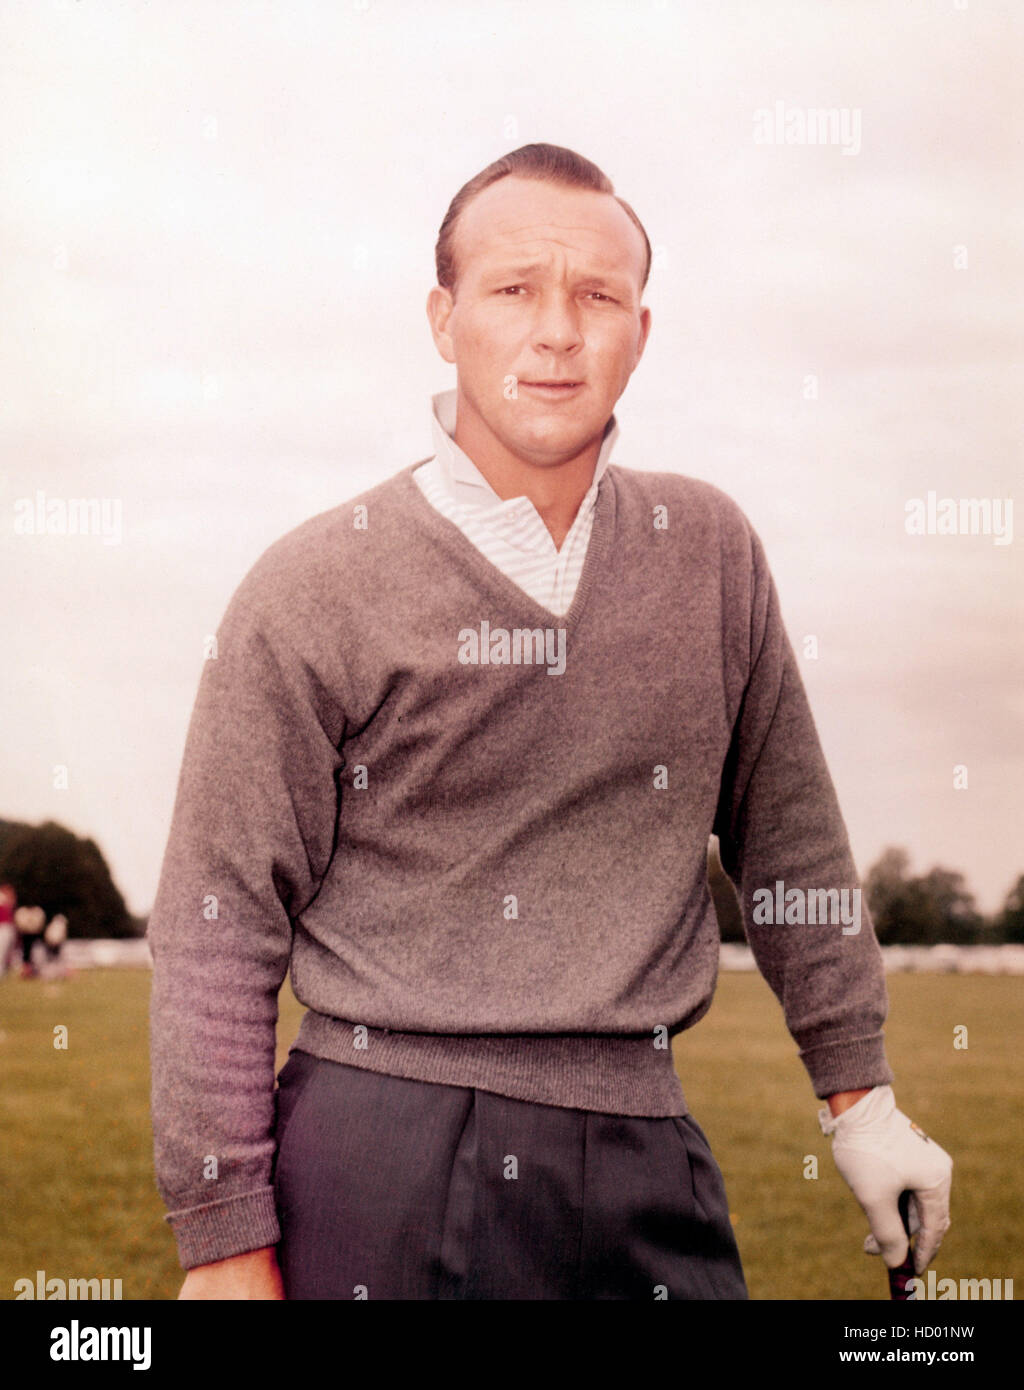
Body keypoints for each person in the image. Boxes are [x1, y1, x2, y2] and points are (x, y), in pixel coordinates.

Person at [148, 143, 952, 1300]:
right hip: (381, 1145)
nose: (558, 330)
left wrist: (860, 1097)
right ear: (443, 317)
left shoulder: (710, 552)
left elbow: (792, 850)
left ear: (640, 330)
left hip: (647, 1141)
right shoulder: (311, 582)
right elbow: (218, 920)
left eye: (597, 296)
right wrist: (224, 1238)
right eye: (514, 287)